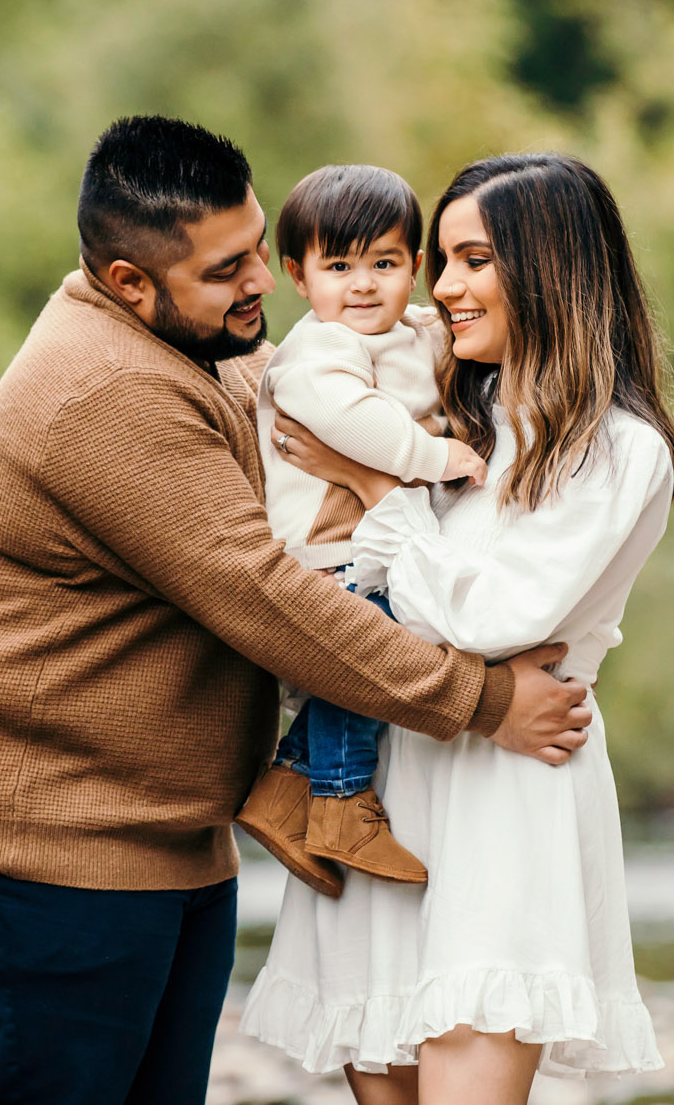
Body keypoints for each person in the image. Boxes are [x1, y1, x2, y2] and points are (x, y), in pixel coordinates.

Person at [0, 118, 595, 1105]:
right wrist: (480, 699)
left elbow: (333, 375)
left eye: (258, 247)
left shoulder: (200, 346)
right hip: (34, 833)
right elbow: (268, 598)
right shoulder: (108, 390)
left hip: (155, 826)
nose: (263, 280)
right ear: (130, 281)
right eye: (226, 270)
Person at [238, 153, 674, 1103]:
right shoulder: (459, 415)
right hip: (388, 782)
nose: (440, 289)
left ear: (551, 267)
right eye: (440, 261)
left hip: (503, 794)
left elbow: (489, 617)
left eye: (471, 259)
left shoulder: (618, 448)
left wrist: (374, 485)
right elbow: (358, 588)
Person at [236, 164, 488, 898]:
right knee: (369, 651)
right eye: (338, 266)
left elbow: (441, 355)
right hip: (324, 547)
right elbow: (357, 421)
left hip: (365, 539)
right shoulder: (320, 350)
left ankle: (285, 790)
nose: (362, 285)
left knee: (373, 641)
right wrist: (434, 455)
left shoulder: (410, 331)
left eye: (383, 263)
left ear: (416, 266)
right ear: (297, 275)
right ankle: (342, 800)